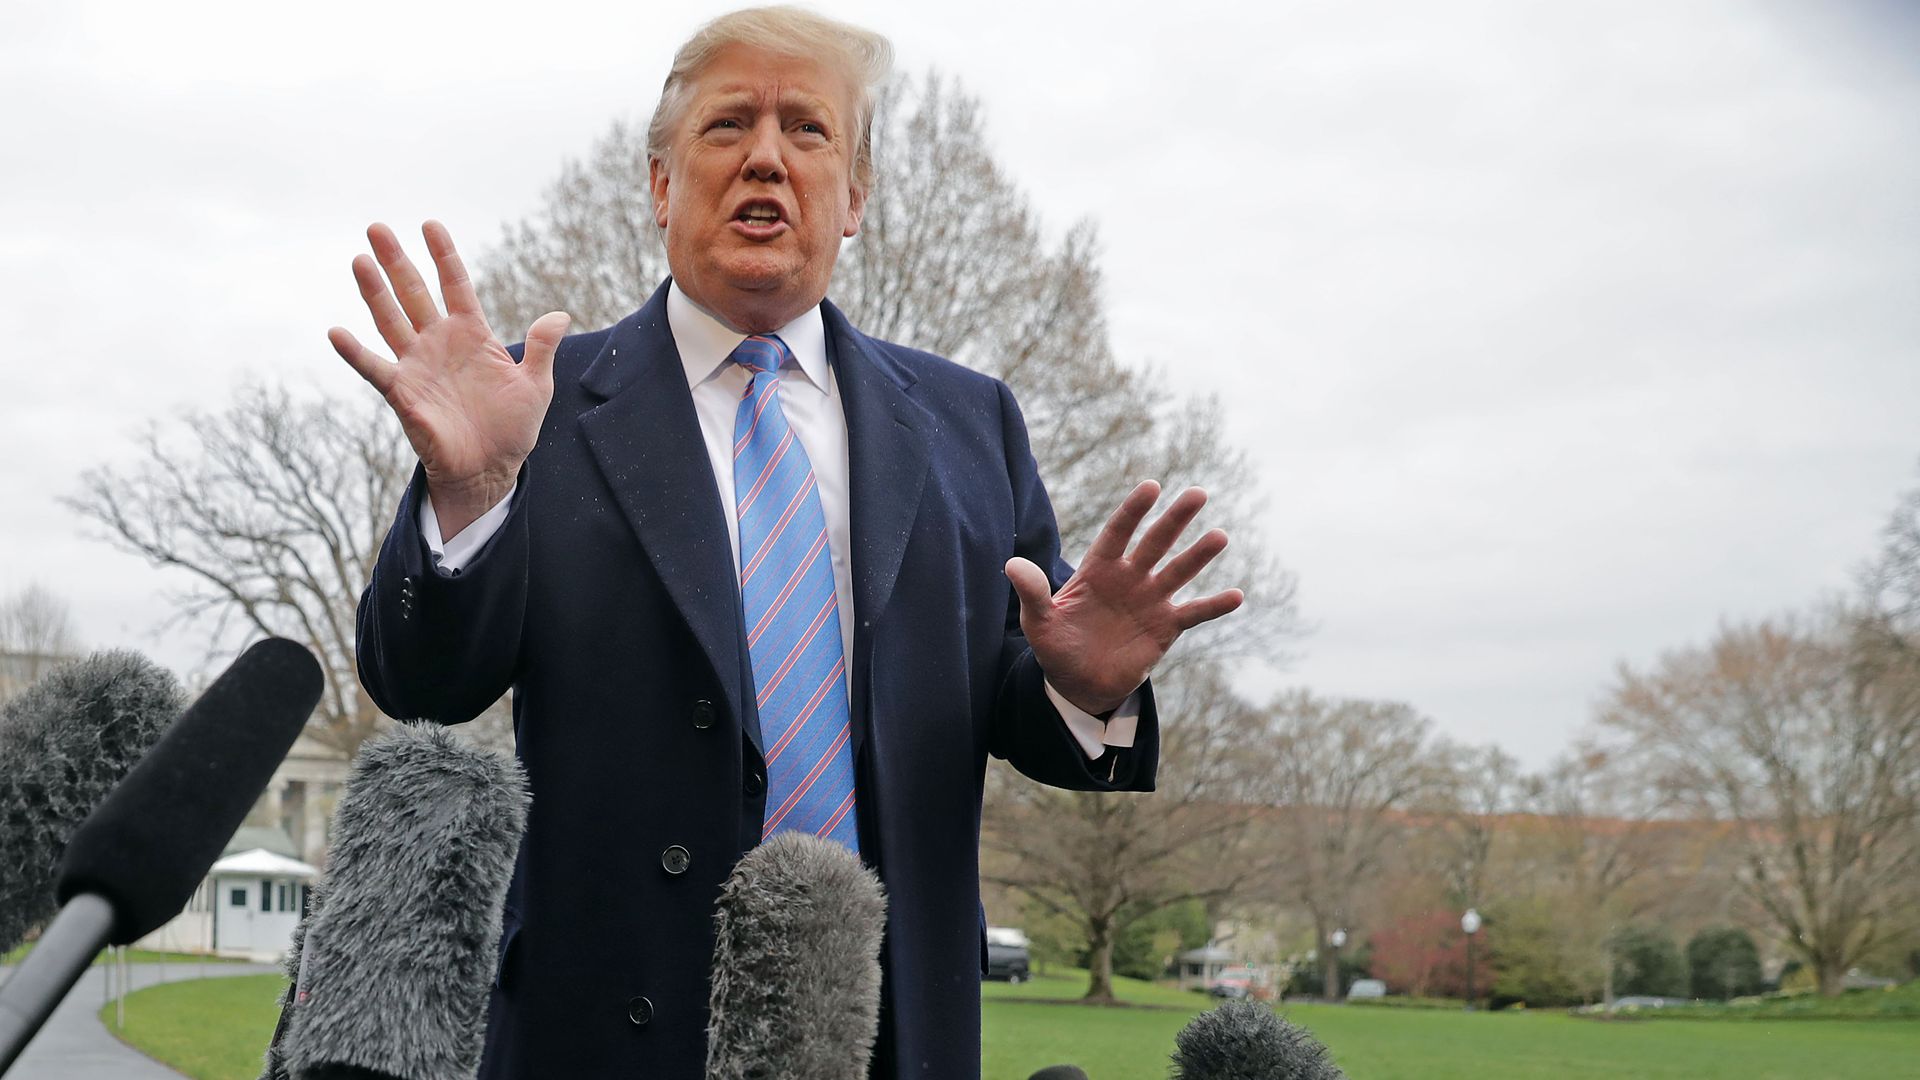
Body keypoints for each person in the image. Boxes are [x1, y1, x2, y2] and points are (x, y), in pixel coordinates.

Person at [332, 8, 1241, 1078]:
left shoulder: (969, 421)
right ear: (662, 185)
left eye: (808, 129)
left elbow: (1005, 696)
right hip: (606, 1034)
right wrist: (472, 491)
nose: (767, 153)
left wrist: (1081, 692)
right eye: (728, 125)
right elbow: (426, 683)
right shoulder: (538, 403)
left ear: (854, 197)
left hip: (890, 1034)